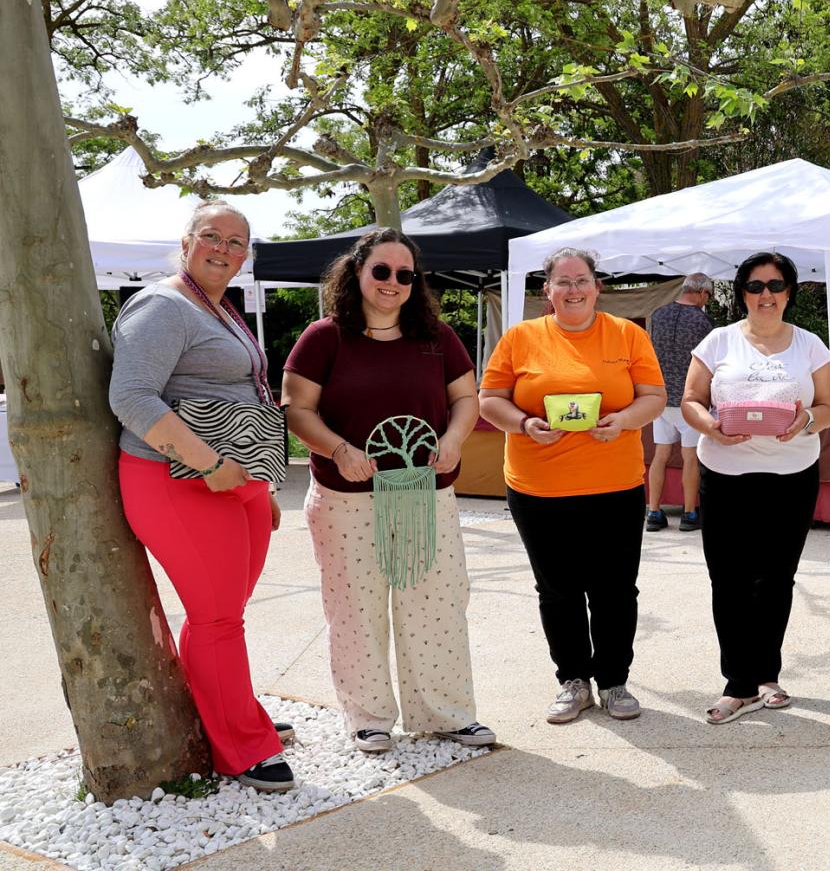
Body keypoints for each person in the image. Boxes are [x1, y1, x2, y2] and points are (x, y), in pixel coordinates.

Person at [282, 228, 496, 755]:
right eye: (381, 270)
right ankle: (368, 717)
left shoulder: (437, 337)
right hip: (346, 498)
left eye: (405, 274)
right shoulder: (324, 337)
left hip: (426, 493)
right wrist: (339, 450)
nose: (392, 282)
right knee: (355, 607)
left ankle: (447, 714)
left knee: (438, 604)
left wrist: (453, 439)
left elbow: (466, 399)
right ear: (357, 272)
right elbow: (297, 409)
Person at [108, 201, 295, 792]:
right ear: (187, 241)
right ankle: (241, 747)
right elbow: (132, 396)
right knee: (218, 617)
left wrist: (256, 481)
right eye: (212, 236)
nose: (224, 249)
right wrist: (209, 462)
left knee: (221, 615)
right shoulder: (162, 305)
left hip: (233, 479)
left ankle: (229, 714)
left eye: (237, 242)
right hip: (177, 479)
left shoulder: (216, 306)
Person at [479, 248, 667, 724]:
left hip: (615, 487)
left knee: (615, 590)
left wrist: (624, 420)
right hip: (538, 489)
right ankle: (574, 681)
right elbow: (490, 400)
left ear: (597, 286)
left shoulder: (627, 335)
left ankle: (614, 682)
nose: (573, 290)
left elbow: (654, 396)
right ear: (548, 290)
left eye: (581, 280)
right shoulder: (521, 337)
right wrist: (524, 424)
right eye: (562, 282)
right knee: (557, 590)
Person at [680, 253, 830, 723]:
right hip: (725, 475)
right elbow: (690, 400)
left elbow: (828, 406)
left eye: (775, 285)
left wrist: (804, 421)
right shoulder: (718, 341)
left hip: (792, 475)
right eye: (754, 286)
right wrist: (710, 426)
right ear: (741, 293)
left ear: (789, 292)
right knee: (728, 579)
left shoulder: (810, 345)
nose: (765, 294)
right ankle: (739, 683)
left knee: (775, 578)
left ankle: (767, 675)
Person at [646, 274, 715, 531]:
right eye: (708, 296)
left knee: (660, 455)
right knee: (690, 457)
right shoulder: (703, 322)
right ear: (701, 293)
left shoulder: (657, 315)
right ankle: (689, 514)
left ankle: (653, 512)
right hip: (689, 399)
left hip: (661, 397)